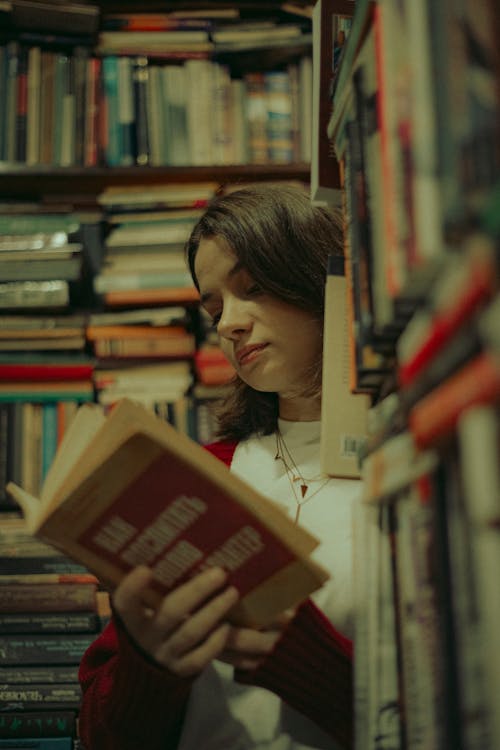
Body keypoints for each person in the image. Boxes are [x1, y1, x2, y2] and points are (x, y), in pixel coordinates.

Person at [78, 184, 361, 750]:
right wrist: (152, 663)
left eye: (251, 289)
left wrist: (307, 664)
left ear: (321, 282)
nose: (229, 323)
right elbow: (99, 734)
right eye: (213, 308)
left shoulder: (410, 467)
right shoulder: (200, 478)